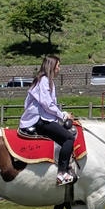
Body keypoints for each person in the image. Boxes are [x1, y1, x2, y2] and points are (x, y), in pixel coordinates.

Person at [19, 55, 79, 185]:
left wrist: (61, 114)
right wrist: (62, 116)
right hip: (40, 120)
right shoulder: (44, 80)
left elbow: (48, 104)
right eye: (58, 66)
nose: (59, 69)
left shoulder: (44, 80)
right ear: (52, 67)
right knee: (68, 138)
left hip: (43, 117)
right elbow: (47, 104)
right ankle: (62, 173)